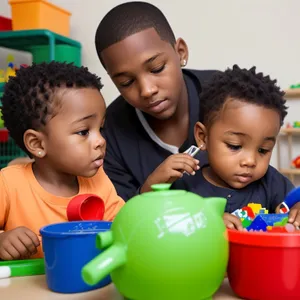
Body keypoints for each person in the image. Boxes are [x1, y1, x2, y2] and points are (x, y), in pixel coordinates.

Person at [0, 62, 124, 260]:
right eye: (84, 131)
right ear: (37, 144)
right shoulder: (8, 184)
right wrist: (2, 241)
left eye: (100, 128)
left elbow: (123, 228)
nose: (101, 141)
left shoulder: (98, 181)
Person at [95, 1, 217, 201]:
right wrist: (148, 189)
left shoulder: (226, 96)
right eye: (127, 82)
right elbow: (120, 217)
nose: (147, 90)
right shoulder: (109, 135)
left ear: (180, 52)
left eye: (157, 68)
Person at [175, 64, 300, 230]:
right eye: (234, 146)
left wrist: (296, 210)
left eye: (263, 150)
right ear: (203, 137)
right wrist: (206, 220)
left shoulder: (272, 183)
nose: (250, 161)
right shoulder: (186, 183)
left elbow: (294, 202)